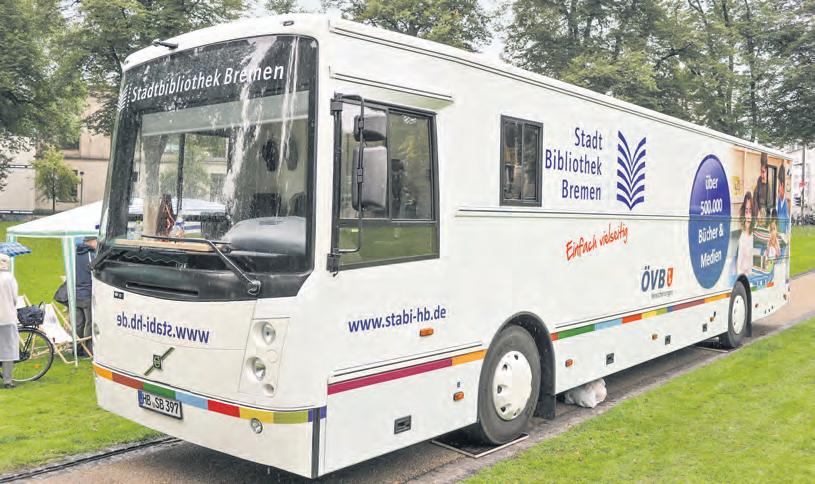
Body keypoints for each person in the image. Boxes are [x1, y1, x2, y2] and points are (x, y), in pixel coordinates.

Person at [0, 254, 20, 389]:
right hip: (7, 317)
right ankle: (7, 381)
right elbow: (14, 298)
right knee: (8, 349)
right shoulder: (9, 278)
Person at [75, 236, 97, 356]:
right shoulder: (90, 255)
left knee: (79, 324)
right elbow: (94, 272)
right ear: (91, 242)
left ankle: (77, 349)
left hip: (75, 293)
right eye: (96, 241)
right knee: (90, 323)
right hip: (87, 293)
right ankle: (88, 351)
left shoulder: (75, 254)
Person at [737, 192, 756, 277]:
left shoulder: (751, 236)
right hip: (742, 276)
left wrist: (750, 273)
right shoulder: (742, 238)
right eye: (746, 211)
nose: (748, 216)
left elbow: (750, 261)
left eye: (750, 211)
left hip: (749, 275)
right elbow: (739, 266)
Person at [752, 154, 769, 221]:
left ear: (767, 172)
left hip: (765, 216)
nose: (761, 175)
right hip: (758, 215)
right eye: (761, 171)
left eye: (763, 172)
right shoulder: (759, 183)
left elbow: (769, 203)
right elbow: (755, 199)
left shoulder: (768, 185)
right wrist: (758, 211)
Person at [776, 167, 789, 233]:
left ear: (782, 185)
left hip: (784, 233)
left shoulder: (786, 203)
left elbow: (788, 221)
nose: (778, 189)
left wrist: (787, 233)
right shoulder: (777, 200)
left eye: (779, 186)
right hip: (777, 232)